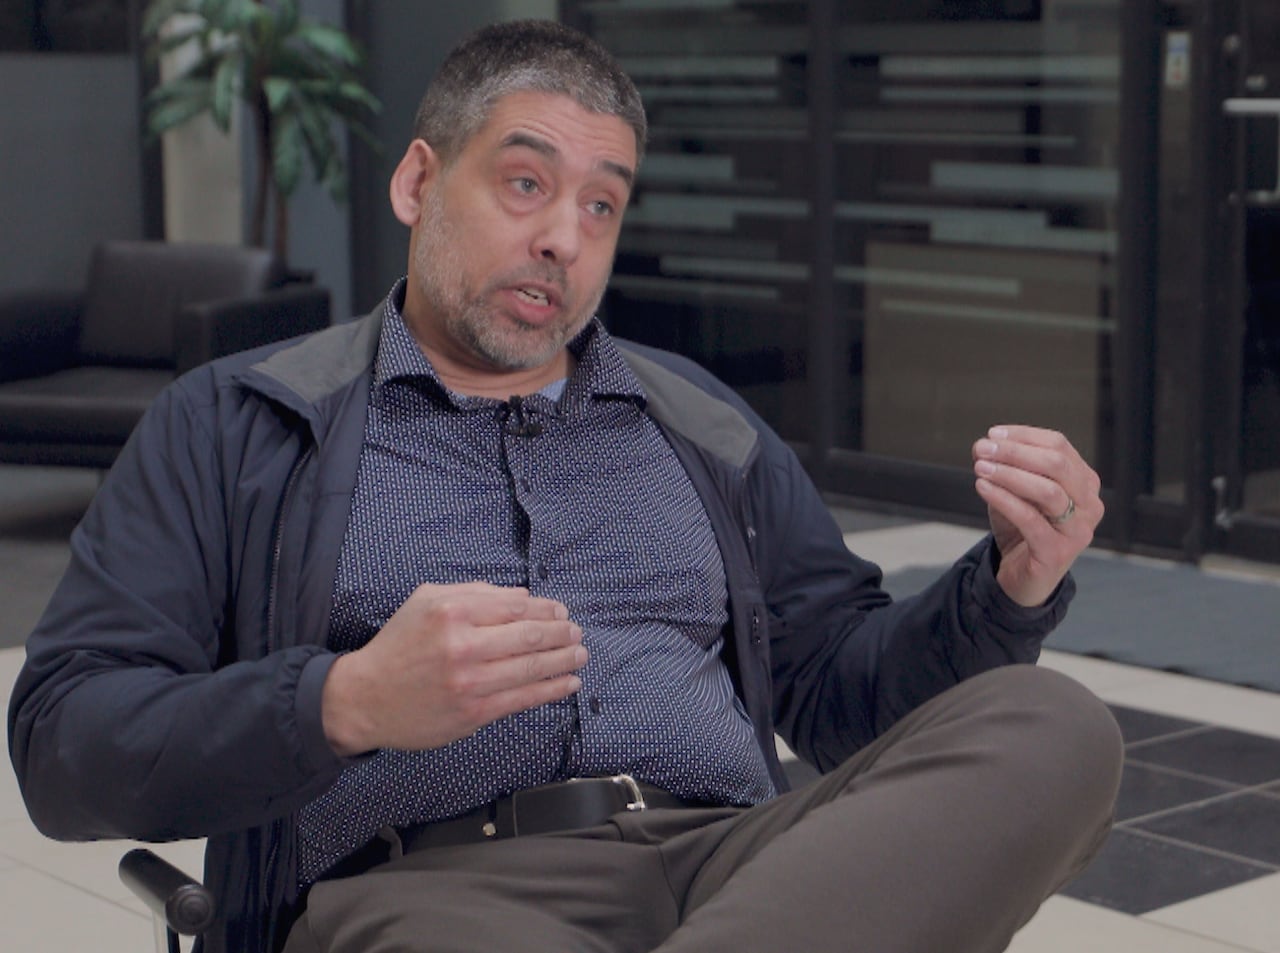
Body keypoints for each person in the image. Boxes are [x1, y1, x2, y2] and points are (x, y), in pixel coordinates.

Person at [8, 18, 1122, 953]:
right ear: (417, 179)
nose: (561, 238)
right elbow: (65, 744)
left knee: (1049, 723)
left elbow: (846, 693)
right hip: (433, 891)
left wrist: (1008, 589)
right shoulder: (236, 423)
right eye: (526, 182)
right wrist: (342, 700)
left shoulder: (699, 424)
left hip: (740, 871)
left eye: (600, 205)